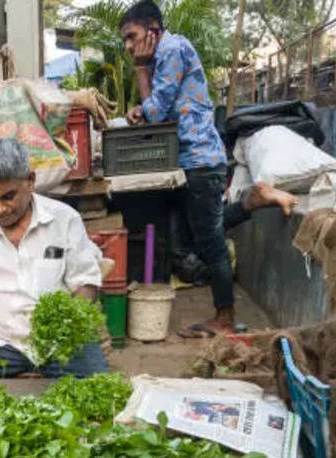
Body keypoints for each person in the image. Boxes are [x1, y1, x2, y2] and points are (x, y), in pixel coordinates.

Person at [0, 139, 107, 378]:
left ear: (30, 181)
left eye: (8, 197)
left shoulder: (64, 220)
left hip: (58, 343)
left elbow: (86, 283)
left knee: (98, 387)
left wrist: (70, 323)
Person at [120, 0, 233, 338]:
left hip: (200, 160)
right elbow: (159, 110)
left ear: (152, 29)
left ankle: (225, 319)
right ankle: (255, 202)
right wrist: (145, 106)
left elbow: (157, 114)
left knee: (210, 242)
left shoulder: (172, 49)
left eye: (132, 35)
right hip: (193, 162)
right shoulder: (167, 53)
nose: (128, 45)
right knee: (202, 236)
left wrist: (141, 70)